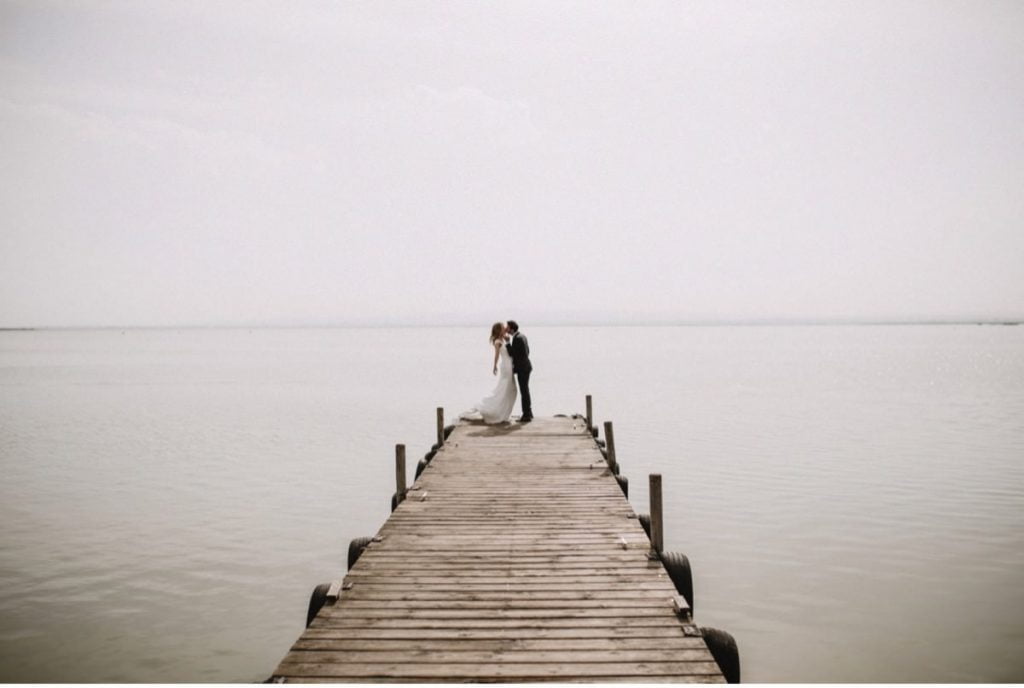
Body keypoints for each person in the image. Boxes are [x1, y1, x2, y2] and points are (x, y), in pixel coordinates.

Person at [459, 322, 517, 424]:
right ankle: (489, 409)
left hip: (509, 366)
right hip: (506, 367)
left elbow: (510, 352)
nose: (505, 329)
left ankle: (503, 414)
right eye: (503, 328)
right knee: (504, 390)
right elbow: (497, 355)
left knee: (511, 391)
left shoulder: (505, 339)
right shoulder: (498, 341)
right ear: (499, 330)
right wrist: (494, 366)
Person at [506, 320, 533, 422]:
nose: (506, 329)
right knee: (525, 390)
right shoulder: (522, 336)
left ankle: (526, 415)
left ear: (512, 328)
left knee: (524, 391)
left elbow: (513, 353)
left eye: (507, 327)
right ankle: (529, 412)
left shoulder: (517, 338)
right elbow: (527, 351)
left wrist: (508, 343)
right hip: (526, 366)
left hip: (523, 368)